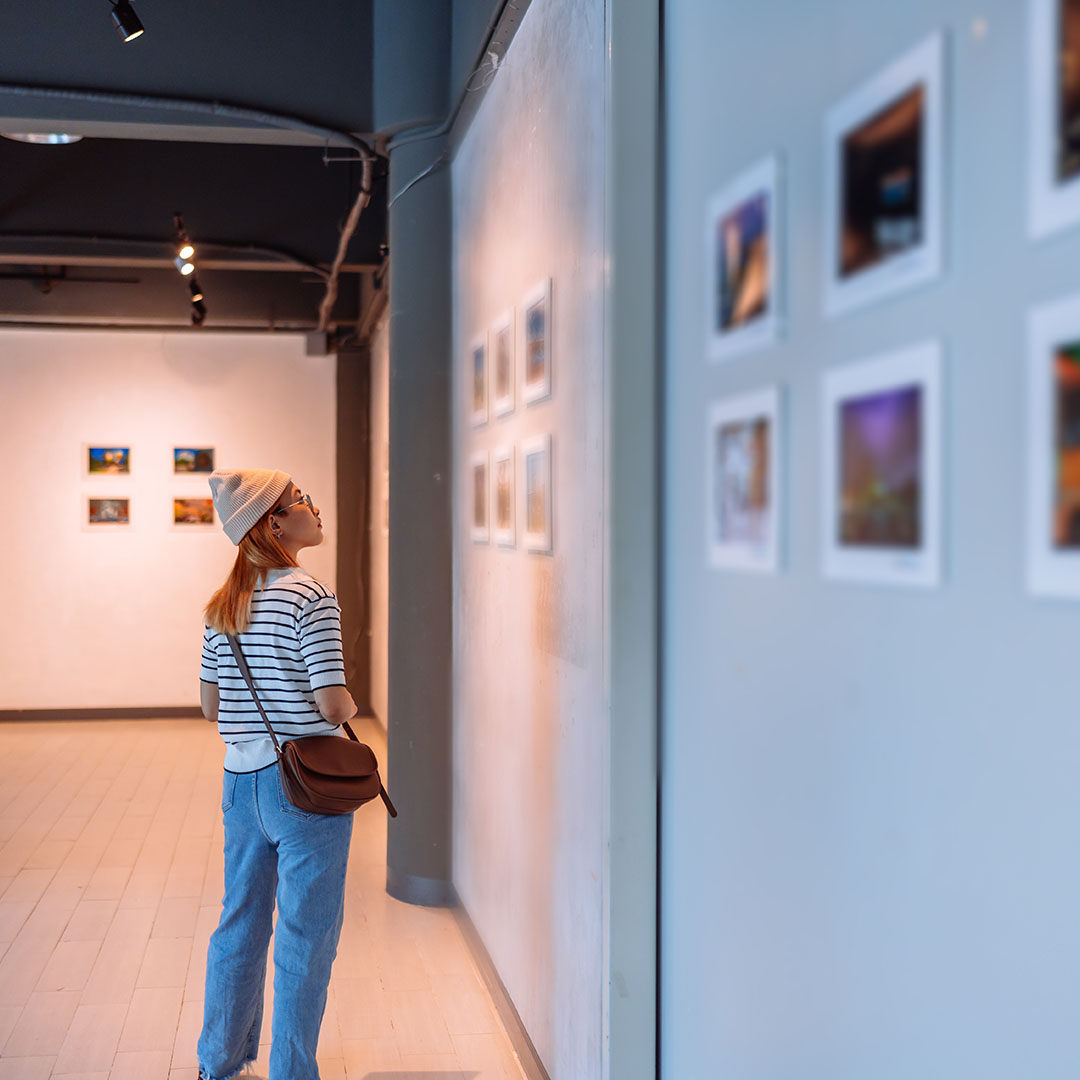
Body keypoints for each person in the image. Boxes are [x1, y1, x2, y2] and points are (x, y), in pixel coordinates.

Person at [196, 468, 358, 1080]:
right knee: (305, 935)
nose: (314, 507)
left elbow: (211, 707)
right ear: (273, 522)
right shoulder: (309, 595)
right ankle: (291, 1070)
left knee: (238, 922)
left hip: (241, 784)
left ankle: (219, 1060)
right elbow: (332, 703)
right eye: (300, 500)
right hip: (305, 788)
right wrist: (345, 705)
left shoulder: (222, 604)